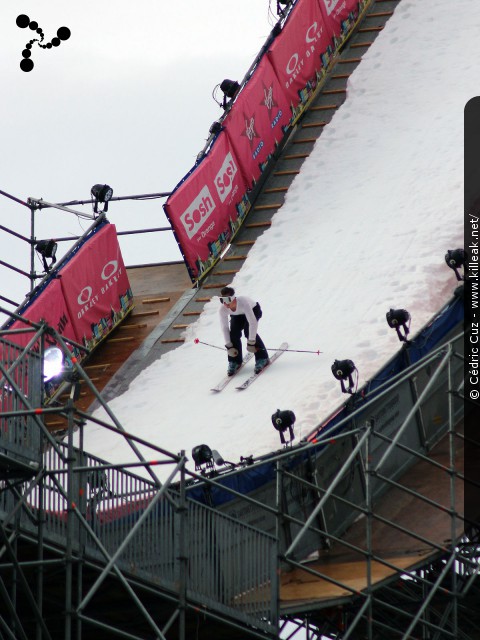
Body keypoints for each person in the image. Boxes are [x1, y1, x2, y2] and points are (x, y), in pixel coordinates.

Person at [218, 286, 270, 376]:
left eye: (228, 300)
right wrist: (229, 346)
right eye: (222, 300)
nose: (225, 304)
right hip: (237, 315)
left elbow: (252, 322)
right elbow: (224, 328)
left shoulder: (243, 302)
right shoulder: (222, 309)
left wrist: (251, 342)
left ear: (234, 298)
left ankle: (263, 358)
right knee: (233, 333)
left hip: (253, 310)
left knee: (248, 332)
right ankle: (234, 361)